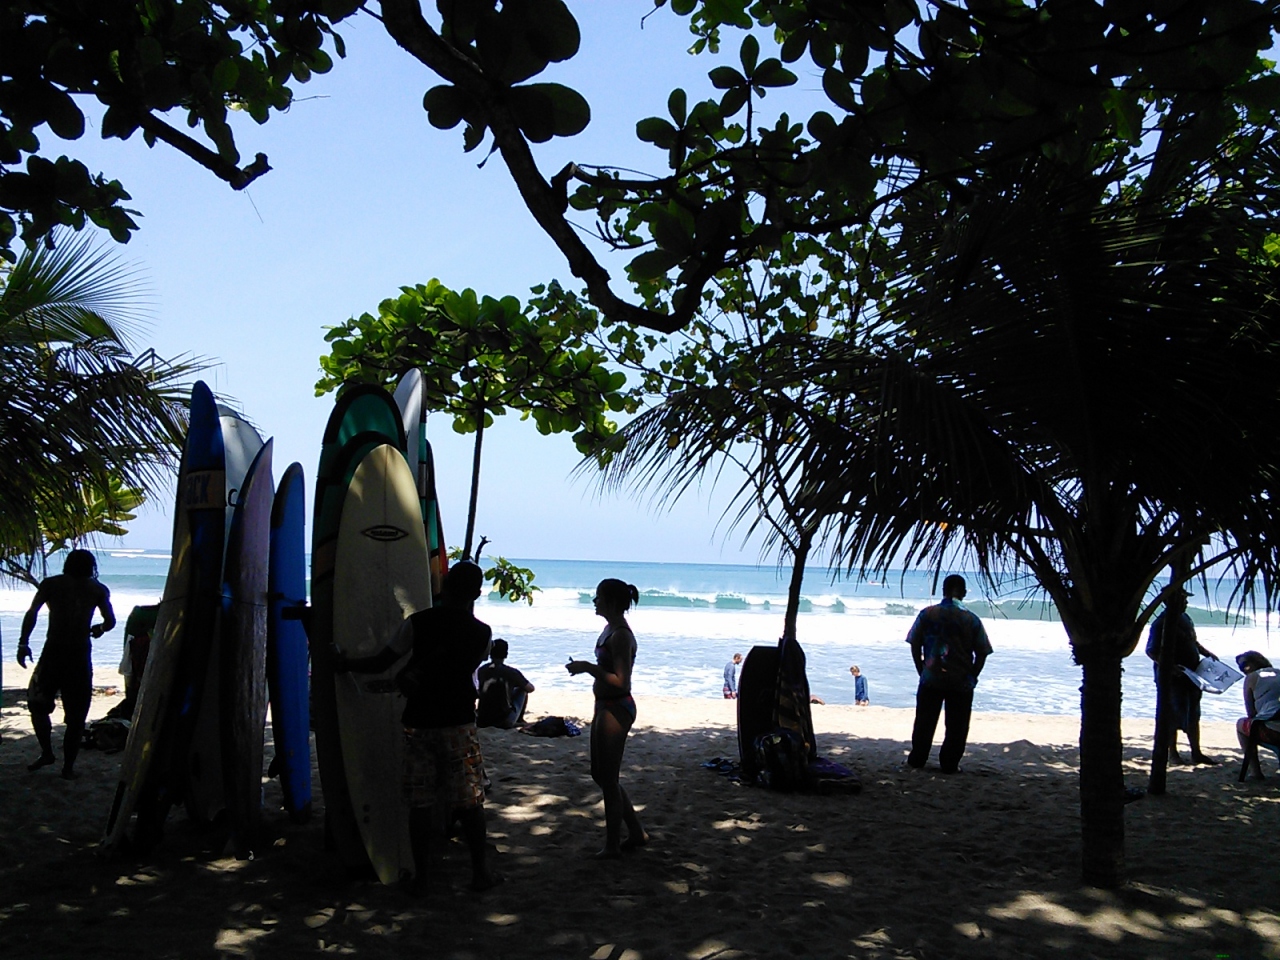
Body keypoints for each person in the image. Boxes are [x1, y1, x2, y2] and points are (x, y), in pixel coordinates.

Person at [335, 561, 500, 891]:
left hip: (420, 722)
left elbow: (381, 662)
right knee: (469, 802)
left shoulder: (418, 623)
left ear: (444, 586)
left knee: (420, 801)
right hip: (458, 723)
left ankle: (422, 878)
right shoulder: (483, 633)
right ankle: (480, 873)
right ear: (477, 593)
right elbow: (466, 668)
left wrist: (344, 663)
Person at [16, 548, 116, 779]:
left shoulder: (52, 584)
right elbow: (110, 621)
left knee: (37, 705)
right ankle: (68, 767)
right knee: (76, 717)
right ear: (91, 567)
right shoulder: (98, 589)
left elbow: (32, 613)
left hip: (53, 652)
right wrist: (99, 629)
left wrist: (23, 643)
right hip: (79, 656)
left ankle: (47, 752)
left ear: (67, 564)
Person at [567, 578, 648, 859]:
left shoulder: (621, 635)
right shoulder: (609, 630)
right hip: (604, 706)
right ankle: (636, 832)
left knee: (609, 779)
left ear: (611, 602)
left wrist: (588, 668)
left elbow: (621, 681)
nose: (594, 601)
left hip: (617, 707)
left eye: (599, 596)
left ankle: (613, 844)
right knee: (600, 774)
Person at [905, 574, 992, 774]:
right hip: (960, 680)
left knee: (924, 722)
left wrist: (921, 669)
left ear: (943, 590)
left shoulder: (927, 614)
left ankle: (918, 759)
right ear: (964, 593)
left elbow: (914, 643)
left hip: (931, 677)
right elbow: (982, 652)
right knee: (957, 727)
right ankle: (950, 764)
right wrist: (973, 676)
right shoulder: (971, 619)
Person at [1146, 586, 1219, 765]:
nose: (1186, 602)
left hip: (1193, 675)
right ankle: (1173, 753)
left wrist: (1206, 652)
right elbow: (1152, 651)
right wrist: (1170, 667)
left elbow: (1193, 641)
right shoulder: (1161, 623)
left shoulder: (1185, 618)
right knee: (1171, 714)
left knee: (1193, 713)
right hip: (1172, 678)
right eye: (1183, 599)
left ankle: (1196, 752)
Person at [1234, 651, 1280, 780]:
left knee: (1241, 724)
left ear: (1253, 663)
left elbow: (1251, 713)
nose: (1242, 669)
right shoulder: (1278, 672)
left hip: (1273, 733)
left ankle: (1255, 771)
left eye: (1244, 665)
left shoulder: (1252, 678)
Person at [109, 603, 159, 719]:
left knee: (133, 689)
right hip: (141, 658)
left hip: (137, 659)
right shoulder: (143, 616)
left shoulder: (138, 615)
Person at [476, 638, 535, 729]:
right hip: (504, 721)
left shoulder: (481, 670)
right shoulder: (511, 672)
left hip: (482, 720)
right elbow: (530, 688)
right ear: (506, 655)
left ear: (490, 653)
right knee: (522, 690)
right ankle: (519, 720)